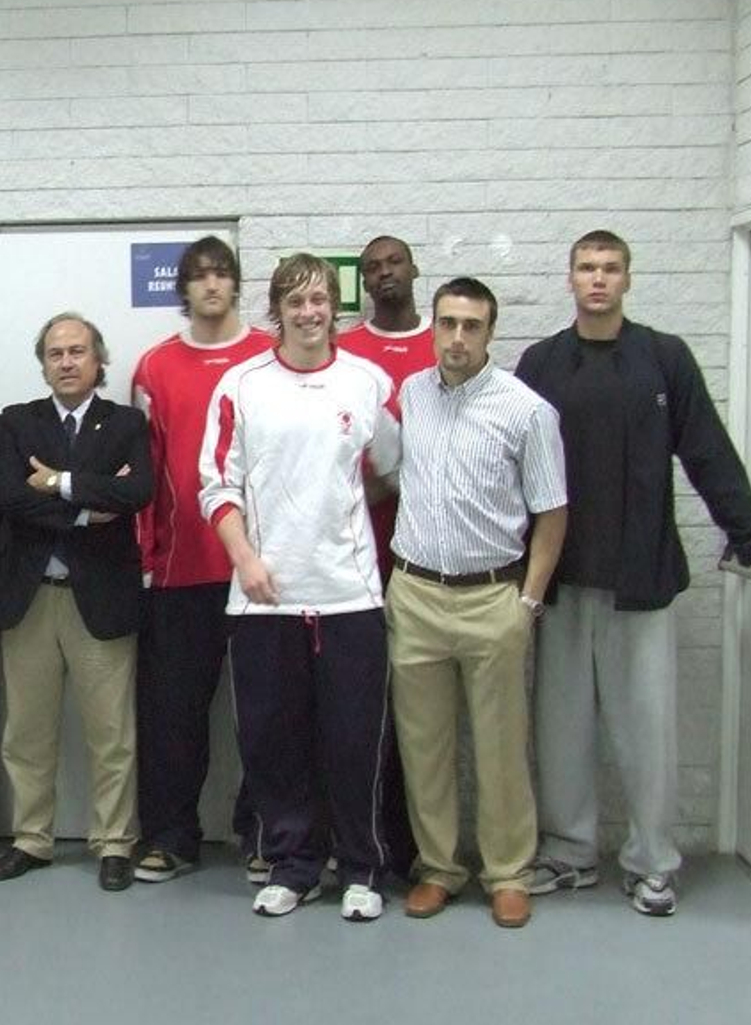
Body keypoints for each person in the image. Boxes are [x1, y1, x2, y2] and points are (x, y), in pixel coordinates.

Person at [515, 229, 751, 917]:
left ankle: (652, 862)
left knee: (647, 733)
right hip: (558, 580)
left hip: (640, 579)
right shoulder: (541, 364)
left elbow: (709, 456)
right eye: (587, 267)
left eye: (610, 268)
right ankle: (569, 852)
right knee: (560, 731)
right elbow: (506, 466)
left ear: (628, 279)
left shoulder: (664, 359)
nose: (598, 279)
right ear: (570, 278)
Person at [199, 253, 400, 921]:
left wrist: (336, 521)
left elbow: (391, 467)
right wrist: (246, 559)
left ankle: (363, 868)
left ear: (335, 307)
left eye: (319, 301)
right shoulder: (241, 385)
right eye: (295, 302)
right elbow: (216, 486)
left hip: (350, 598)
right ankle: (294, 867)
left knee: (355, 741)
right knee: (274, 744)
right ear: (277, 312)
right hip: (265, 600)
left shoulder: (367, 382)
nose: (309, 313)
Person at [387, 278, 568, 929]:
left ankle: (508, 874)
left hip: (494, 598)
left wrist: (528, 602)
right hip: (415, 596)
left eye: (471, 326)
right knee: (424, 747)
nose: (457, 338)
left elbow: (553, 513)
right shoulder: (412, 394)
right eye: (448, 324)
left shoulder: (526, 411)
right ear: (433, 328)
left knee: (500, 749)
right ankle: (438, 868)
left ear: (491, 333)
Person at [0, 313, 153, 891]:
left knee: (112, 735)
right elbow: (8, 496)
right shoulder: (18, 421)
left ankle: (114, 842)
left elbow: (136, 491)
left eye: (77, 351)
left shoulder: (126, 422)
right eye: (55, 353)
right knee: (27, 733)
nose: (66, 362)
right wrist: (86, 510)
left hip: (101, 601)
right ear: (43, 365)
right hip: (30, 600)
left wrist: (57, 482)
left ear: (98, 360)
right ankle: (32, 839)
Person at [129, 236, 275, 884]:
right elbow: (145, 474)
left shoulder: (270, 357)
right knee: (173, 719)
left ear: (236, 283)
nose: (212, 284)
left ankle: (266, 836)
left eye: (221, 273)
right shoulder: (154, 367)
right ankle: (170, 838)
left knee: (267, 715)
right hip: (178, 575)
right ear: (183, 289)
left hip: (259, 575)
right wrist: (147, 559)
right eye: (199, 275)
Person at [337, 233, 435, 878]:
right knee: (364, 708)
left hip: (430, 558)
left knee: (421, 714)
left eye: (394, 262)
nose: (384, 273)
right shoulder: (346, 353)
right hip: (358, 558)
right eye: (372, 267)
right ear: (363, 282)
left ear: (414, 269)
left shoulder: (443, 342)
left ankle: (419, 848)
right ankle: (364, 841)